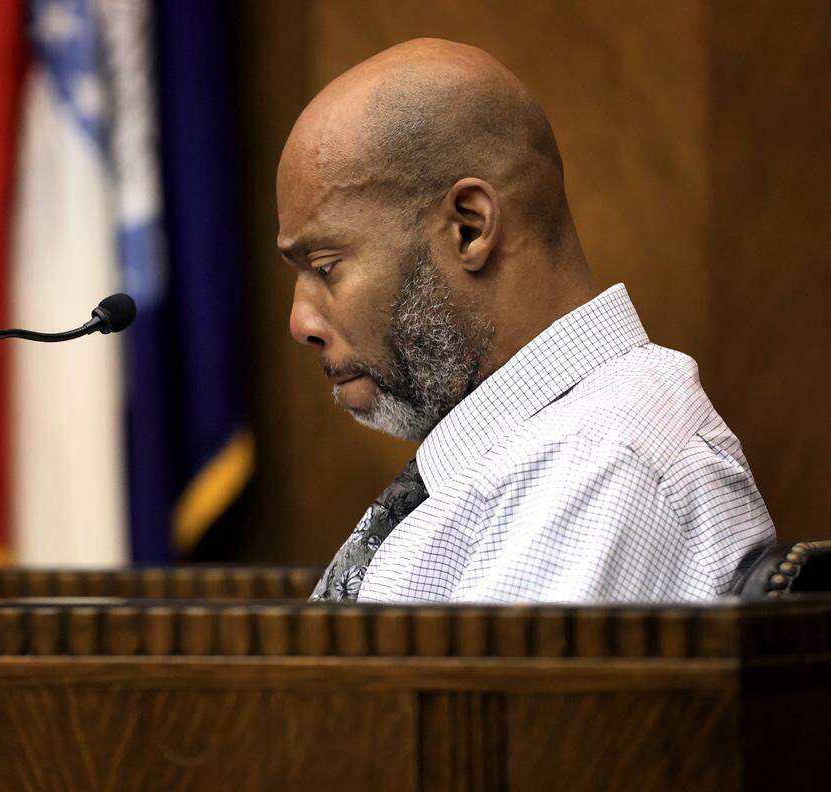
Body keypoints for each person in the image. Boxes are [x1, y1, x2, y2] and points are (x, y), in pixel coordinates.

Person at [276, 39, 775, 603]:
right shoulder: (539, 452)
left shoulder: (597, 465)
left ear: (469, 227)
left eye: (325, 267)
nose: (300, 323)